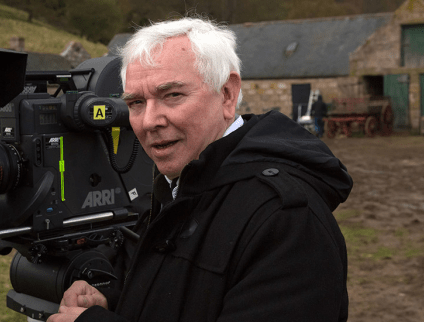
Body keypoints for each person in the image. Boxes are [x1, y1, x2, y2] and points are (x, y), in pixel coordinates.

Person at [47, 17, 352, 322]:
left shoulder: (288, 221)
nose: (149, 120)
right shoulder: (176, 186)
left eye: (172, 95)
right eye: (136, 102)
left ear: (227, 95)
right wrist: (112, 299)